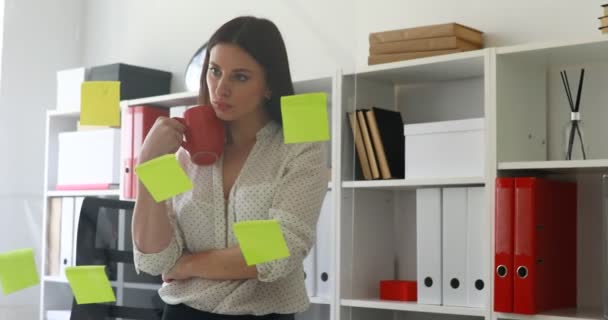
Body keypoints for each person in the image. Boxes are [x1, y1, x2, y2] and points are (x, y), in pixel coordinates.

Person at [131, 16, 329, 320]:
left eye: (240, 77)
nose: (220, 89)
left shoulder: (301, 148)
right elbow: (156, 259)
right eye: (214, 71)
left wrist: (188, 265)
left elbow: (278, 253)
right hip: (183, 312)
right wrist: (148, 163)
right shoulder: (185, 156)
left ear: (268, 86)